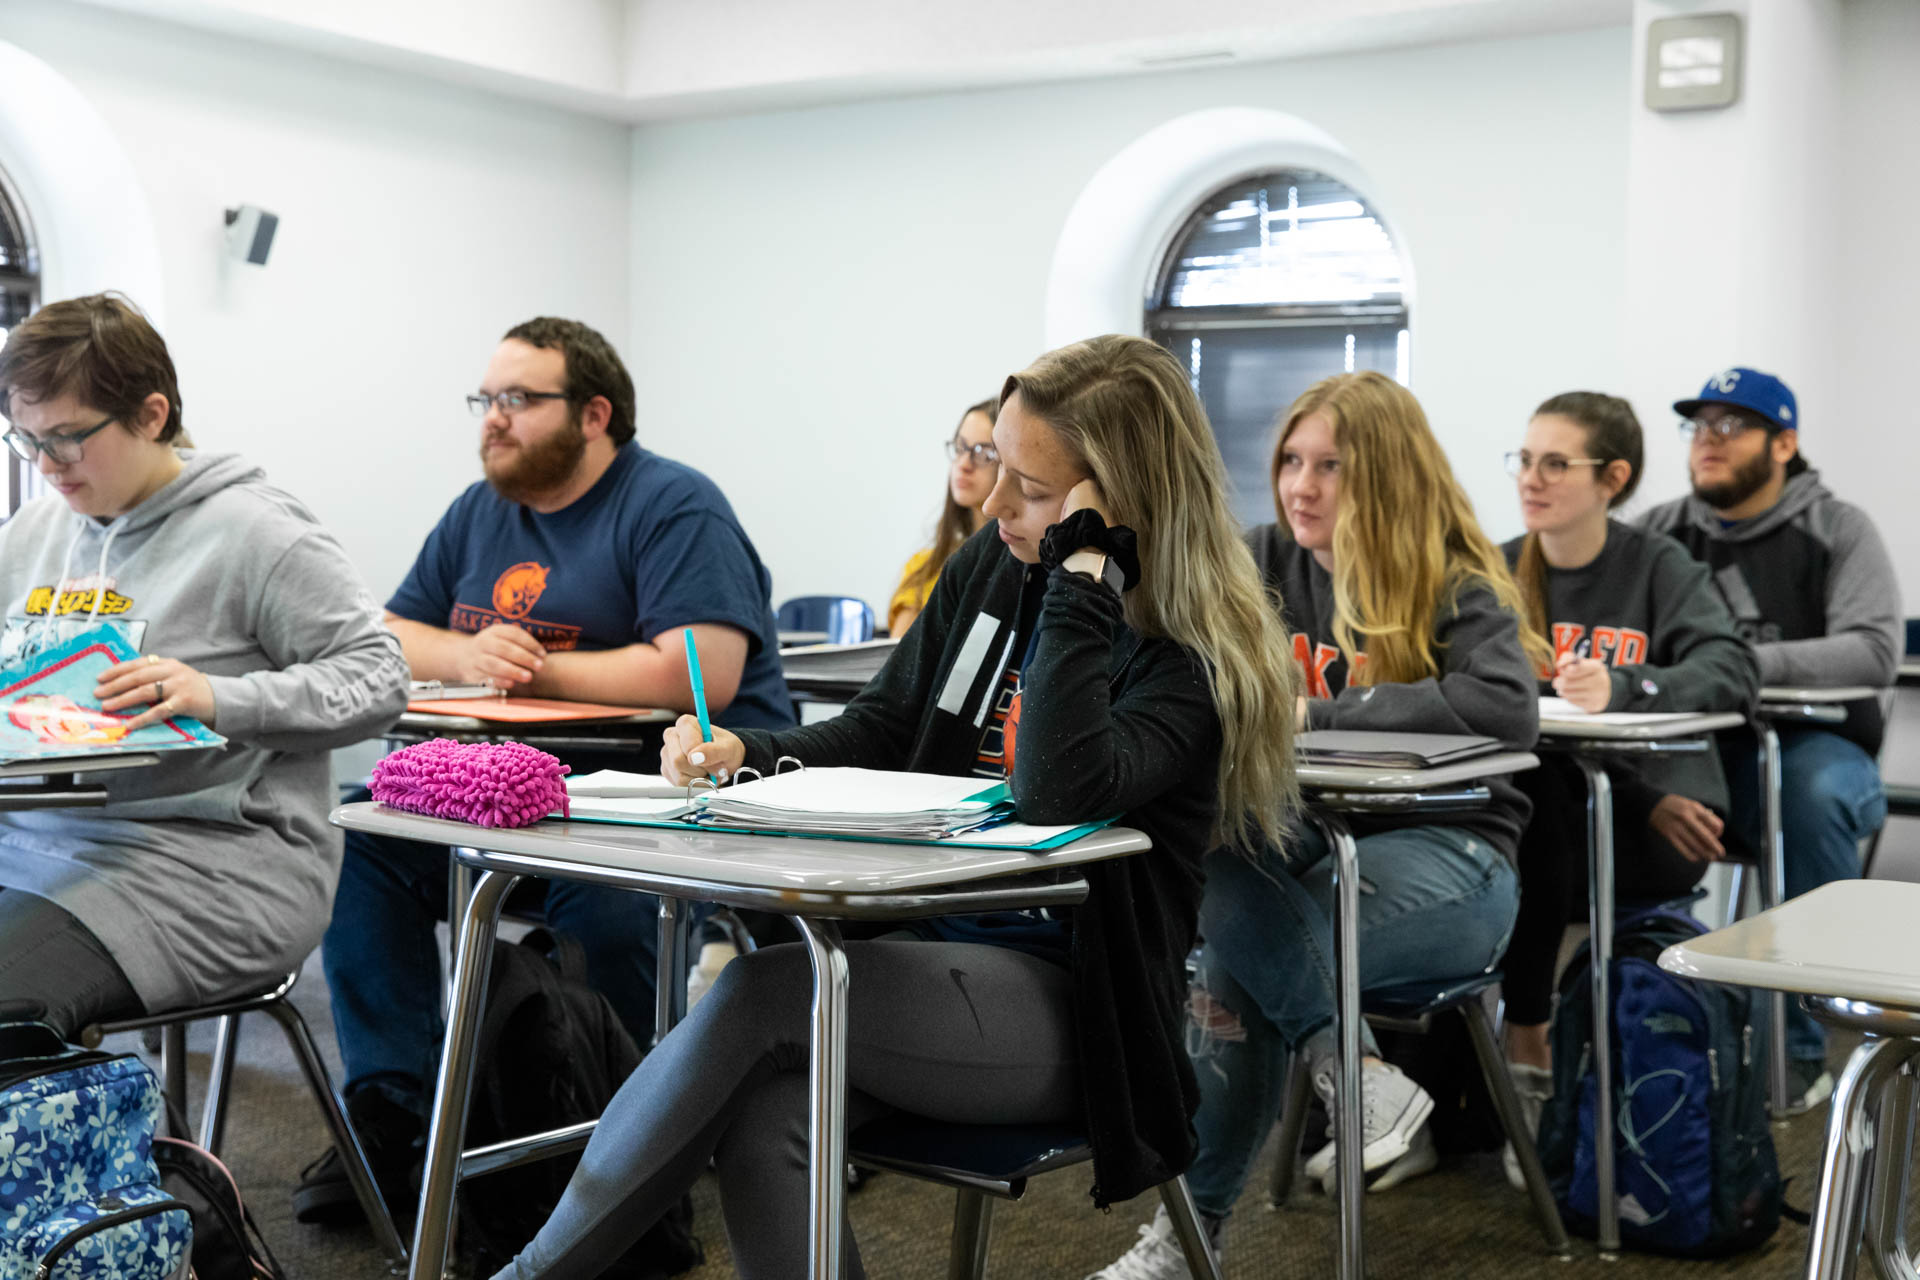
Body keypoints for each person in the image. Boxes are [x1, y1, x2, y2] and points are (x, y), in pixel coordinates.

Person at [482, 334, 1300, 1280]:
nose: (990, 506)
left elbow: (1054, 791)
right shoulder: (993, 570)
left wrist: (1084, 582)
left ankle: (532, 1275)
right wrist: (751, 752)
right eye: (995, 466)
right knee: (767, 1118)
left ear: (1116, 505)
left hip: (1078, 1015)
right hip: (916, 972)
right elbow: (882, 727)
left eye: (1031, 490)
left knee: (766, 990)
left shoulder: (1188, 658)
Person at [299, 316, 795, 1225]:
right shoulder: (480, 511)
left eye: (518, 399)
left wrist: (533, 666)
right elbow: (393, 629)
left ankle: (607, 1137)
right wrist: (472, 654)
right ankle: (398, 1115)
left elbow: (702, 669)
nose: (492, 418)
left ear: (594, 413)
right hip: (515, 790)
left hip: (663, 789)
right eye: (486, 399)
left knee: (602, 890)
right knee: (361, 836)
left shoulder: (672, 504)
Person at [1096, 369, 1544, 1280]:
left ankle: (1188, 1241)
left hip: (1457, 860)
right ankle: (1360, 1080)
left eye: (1331, 465)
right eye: (1292, 461)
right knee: (1211, 864)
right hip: (1304, 849)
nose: (1302, 485)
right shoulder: (1262, 561)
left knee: (1240, 964)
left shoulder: (1457, 585)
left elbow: (1505, 707)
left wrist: (1325, 713)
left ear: (1384, 474)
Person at [0, 292, 409, 1040]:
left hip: (200, 869)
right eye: (26, 441)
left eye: (68, 438)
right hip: (33, 844)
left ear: (152, 415)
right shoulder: (33, 531)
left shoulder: (256, 532)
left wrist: (219, 698)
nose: (47, 465)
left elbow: (381, 677)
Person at [1496, 391, 1758, 1186]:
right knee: (1520, 807)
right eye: (1525, 460)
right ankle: (1485, 1081)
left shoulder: (1659, 567)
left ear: (1612, 478)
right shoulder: (1501, 570)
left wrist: (1629, 686)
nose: (1532, 480)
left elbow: (1731, 670)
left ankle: (1529, 1054)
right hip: (1569, 815)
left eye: (1555, 464)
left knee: (1533, 809)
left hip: (1659, 829)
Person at [1642, 366, 1900, 1112]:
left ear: (1783, 443)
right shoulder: (1663, 531)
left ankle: (1797, 1051)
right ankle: (1638, 1023)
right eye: (1698, 427)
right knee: (1602, 792)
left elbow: (1871, 651)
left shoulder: (1839, 528)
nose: (1707, 443)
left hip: (1821, 752)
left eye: (1730, 427)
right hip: (1705, 750)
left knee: (1808, 795)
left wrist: (1736, 666)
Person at [887, 397, 998, 635]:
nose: (964, 464)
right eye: (961, 448)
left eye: (983, 453)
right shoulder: (925, 567)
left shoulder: (1024, 572)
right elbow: (894, 662)